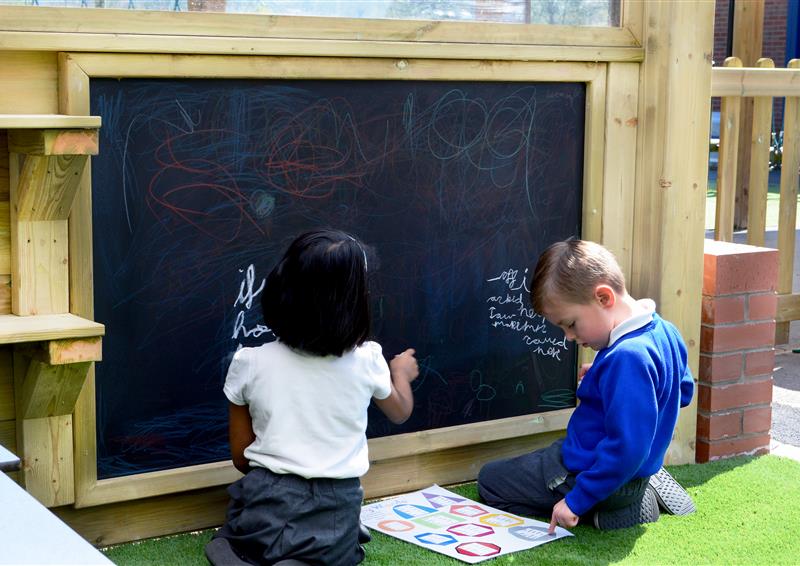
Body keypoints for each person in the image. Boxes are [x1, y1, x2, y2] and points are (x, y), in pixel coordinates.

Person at [205, 229, 419, 566]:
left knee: (229, 543)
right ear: (355, 303)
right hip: (336, 513)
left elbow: (242, 459)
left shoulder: (249, 362)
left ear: (281, 289)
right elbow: (400, 411)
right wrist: (401, 374)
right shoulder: (368, 359)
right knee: (336, 548)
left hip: (267, 504)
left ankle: (255, 553)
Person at [478, 239, 695, 532]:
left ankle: (603, 511)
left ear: (603, 298)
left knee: (490, 481)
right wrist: (611, 377)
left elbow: (626, 448)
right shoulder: (663, 331)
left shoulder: (626, 358)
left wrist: (577, 501)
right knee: (567, 454)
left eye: (570, 324)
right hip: (633, 471)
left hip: (589, 474)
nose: (568, 336)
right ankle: (637, 491)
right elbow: (681, 390)